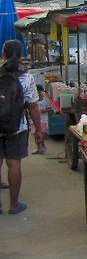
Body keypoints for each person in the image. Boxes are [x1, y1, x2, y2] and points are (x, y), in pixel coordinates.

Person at [0, 40, 43, 215]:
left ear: (4, 54)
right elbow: (33, 106)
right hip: (17, 126)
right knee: (13, 164)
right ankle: (14, 204)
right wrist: (38, 130)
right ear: (22, 54)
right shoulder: (26, 77)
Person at [31, 84, 51, 155]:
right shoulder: (32, 100)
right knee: (35, 135)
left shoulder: (45, 100)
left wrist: (44, 111)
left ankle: (42, 146)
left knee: (40, 134)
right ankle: (38, 148)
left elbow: (49, 108)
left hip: (43, 120)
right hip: (33, 121)